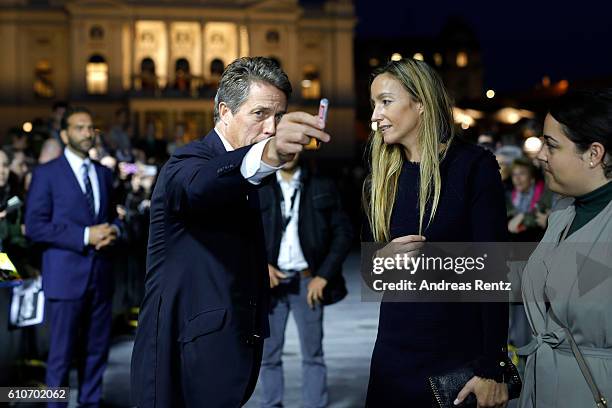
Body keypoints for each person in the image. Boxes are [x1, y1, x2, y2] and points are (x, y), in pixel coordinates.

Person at [131, 57, 331, 408]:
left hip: (230, 352)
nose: (271, 127)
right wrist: (268, 154)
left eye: (279, 117)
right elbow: (199, 187)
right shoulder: (187, 162)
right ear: (225, 111)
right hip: (182, 360)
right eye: (260, 114)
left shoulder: (252, 173)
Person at [363, 59, 510, 407]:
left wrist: (492, 367)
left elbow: (494, 271)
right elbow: (375, 273)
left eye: (385, 102)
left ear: (421, 104)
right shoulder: (383, 174)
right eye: (373, 104)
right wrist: (379, 263)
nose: (375, 115)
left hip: (455, 361)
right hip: (392, 355)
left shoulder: (473, 166)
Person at [518, 89, 612, 407]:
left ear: (593, 154)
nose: (540, 154)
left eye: (552, 145)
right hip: (543, 389)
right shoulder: (562, 212)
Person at [25, 106, 120, 408]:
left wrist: (114, 231)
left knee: (97, 352)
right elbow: (36, 227)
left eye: (90, 128)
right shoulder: (46, 174)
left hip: (101, 276)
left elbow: (113, 216)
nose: (87, 133)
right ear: (65, 134)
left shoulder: (105, 174)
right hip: (65, 278)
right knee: (60, 356)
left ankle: (91, 403)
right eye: (79, 127)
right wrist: (83, 236)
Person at [258, 153, 352, 408]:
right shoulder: (259, 185)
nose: (288, 152)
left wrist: (323, 275)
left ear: (301, 148)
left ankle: (315, 405)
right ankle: (272, 404)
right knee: (268, 355)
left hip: (307, 282)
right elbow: (239, 234)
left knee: (313, 354)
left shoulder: (322, 184)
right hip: (271, 284)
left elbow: (343, 233)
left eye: (294, 145)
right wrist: (258, 266)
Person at [506, 158, 553, 242]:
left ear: (532, 178)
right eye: (514, 174)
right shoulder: (510, 196)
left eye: (522, 174)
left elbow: (539, 216)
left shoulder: (545, 194)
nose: (517, 178)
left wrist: (523, 216)